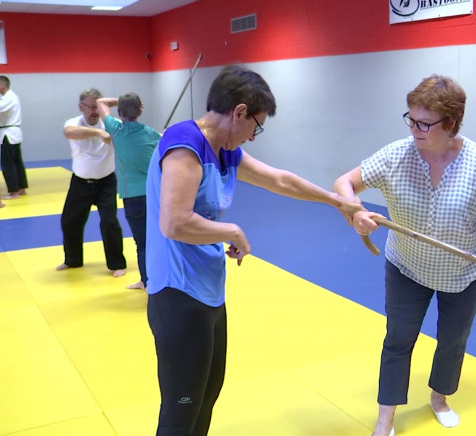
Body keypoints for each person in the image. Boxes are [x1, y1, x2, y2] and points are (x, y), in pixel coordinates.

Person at [145, 64, 362, 435]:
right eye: (255, 126)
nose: (253, 136)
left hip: (209, 291)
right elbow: (174, 223)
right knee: (181, 407)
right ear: (239, 112)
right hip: (177, 294)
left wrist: (335, 201)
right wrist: (231, 230)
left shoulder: (224, 149)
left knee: (206, 397)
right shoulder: (186, 144)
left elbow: (278, 179)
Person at [333, 74, 476, 436]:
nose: (415, 128)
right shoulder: (396, 155)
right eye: (411, 119)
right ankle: (386, 417)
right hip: (407, 266)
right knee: (398, 338)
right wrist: (355, 211)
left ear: (450, 124)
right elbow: (345, 183)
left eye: (424, 123)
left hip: (465, 271)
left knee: (453, 340)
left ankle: (440, 397)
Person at [56, 88, 126, 277]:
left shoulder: (111, 123)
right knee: (69, 221)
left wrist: (119, 102)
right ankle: (73, 259)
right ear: (81, 107)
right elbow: (69, 132)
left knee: (110, 222)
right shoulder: (73, 123)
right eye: (91, 106)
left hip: (106, 183)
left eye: (99, 106)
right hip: (80, 182)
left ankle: (117, 264)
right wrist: (98, 134)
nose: (95, 111)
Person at [97, 92, 161, 290]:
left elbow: (100, 102)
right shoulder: (151, 133)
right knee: (158, 240)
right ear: (141, 110)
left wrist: (123, 103)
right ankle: (158, 281)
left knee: (142, 242)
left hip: (133, 197)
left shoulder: (115, 129)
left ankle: (147, 282)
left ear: (119, 112)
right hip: (155, 195)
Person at [0, 75, 27, 199]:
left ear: (3, 84)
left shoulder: (9, 98)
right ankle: (21, 187)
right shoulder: (10, 97)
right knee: (17, 162)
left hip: (9, 134)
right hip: (13, 133)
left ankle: (14, 191)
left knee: (8, 164)